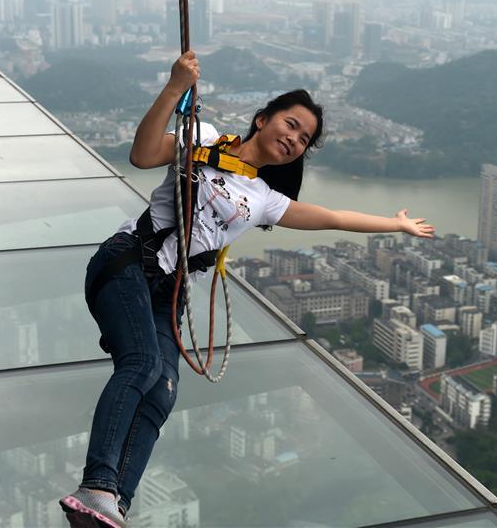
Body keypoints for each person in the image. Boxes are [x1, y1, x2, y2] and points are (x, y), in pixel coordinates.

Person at [59, 51, 434, 527]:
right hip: (128, 260)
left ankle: (111, 506)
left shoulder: (265, 200)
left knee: (162, 392)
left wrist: (396, 225)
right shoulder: (206, 138)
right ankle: (96, 485)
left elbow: (334, 218)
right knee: (144, 364)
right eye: (291, 124)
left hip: (166, 294)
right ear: (263, 119)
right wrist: (175, 86)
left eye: (304, 139)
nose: (294, 139)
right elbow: (142, 154)